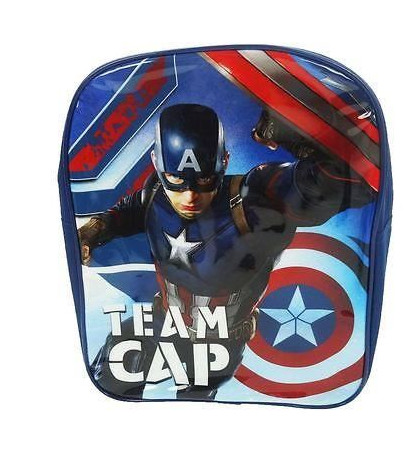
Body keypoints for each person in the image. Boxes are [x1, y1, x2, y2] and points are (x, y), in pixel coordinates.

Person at [79, 103, 374, 400]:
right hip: (164, 320)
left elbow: (350, 184)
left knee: (194, 405)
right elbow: (129, 210)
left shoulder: (254, 200)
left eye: (204, 180)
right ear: (156, 163)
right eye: (177, 180)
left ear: (225, 161)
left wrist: (291, 135)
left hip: (219, 341)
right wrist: (93, 230)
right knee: (112, 370)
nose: (190, 196)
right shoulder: (156, 191)